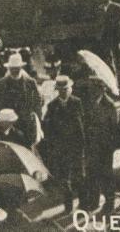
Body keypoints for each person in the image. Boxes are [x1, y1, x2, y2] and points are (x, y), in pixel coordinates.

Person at [40, 76, 84, 213]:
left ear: (69, 89)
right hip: (61, 148)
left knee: (79, 177)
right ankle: (68, 205)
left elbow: (82, 126)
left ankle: (83, 204)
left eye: (65, 89)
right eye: (60, 90)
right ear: (57, 90)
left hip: (76, 147)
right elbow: (48, 128)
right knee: (65, 179)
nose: (63, 92)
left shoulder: (77, 102)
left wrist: (82, 147)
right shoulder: (52, 106)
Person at [80, 77, 118, 214]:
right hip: (90, 145)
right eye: (91, 89)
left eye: (95, 89)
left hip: (104, 147)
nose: (92, 92)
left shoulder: (109, 105)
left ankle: (109, 203)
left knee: (106, 175)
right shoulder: (87, 103)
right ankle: (93, 201)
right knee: (91, 174)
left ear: (102, 90)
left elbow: (114, 129)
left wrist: (110, 146)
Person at [0, 53, 42, 145]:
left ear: (21, 68)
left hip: (26, 125)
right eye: (12, 68)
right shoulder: (1, 84)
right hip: (8, 124)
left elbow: (38, 102)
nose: (14, 71)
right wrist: (0, 121)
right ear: (8, 69)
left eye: (17, 68)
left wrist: (35, 119)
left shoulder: (30, 83)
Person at [96, 0, 120, 91]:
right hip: (104, 40)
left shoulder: (116, 7)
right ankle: (110, 86)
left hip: (114, 39)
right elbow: (99, 25)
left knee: (118, 63)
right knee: (106, 63)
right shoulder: (99, 9)